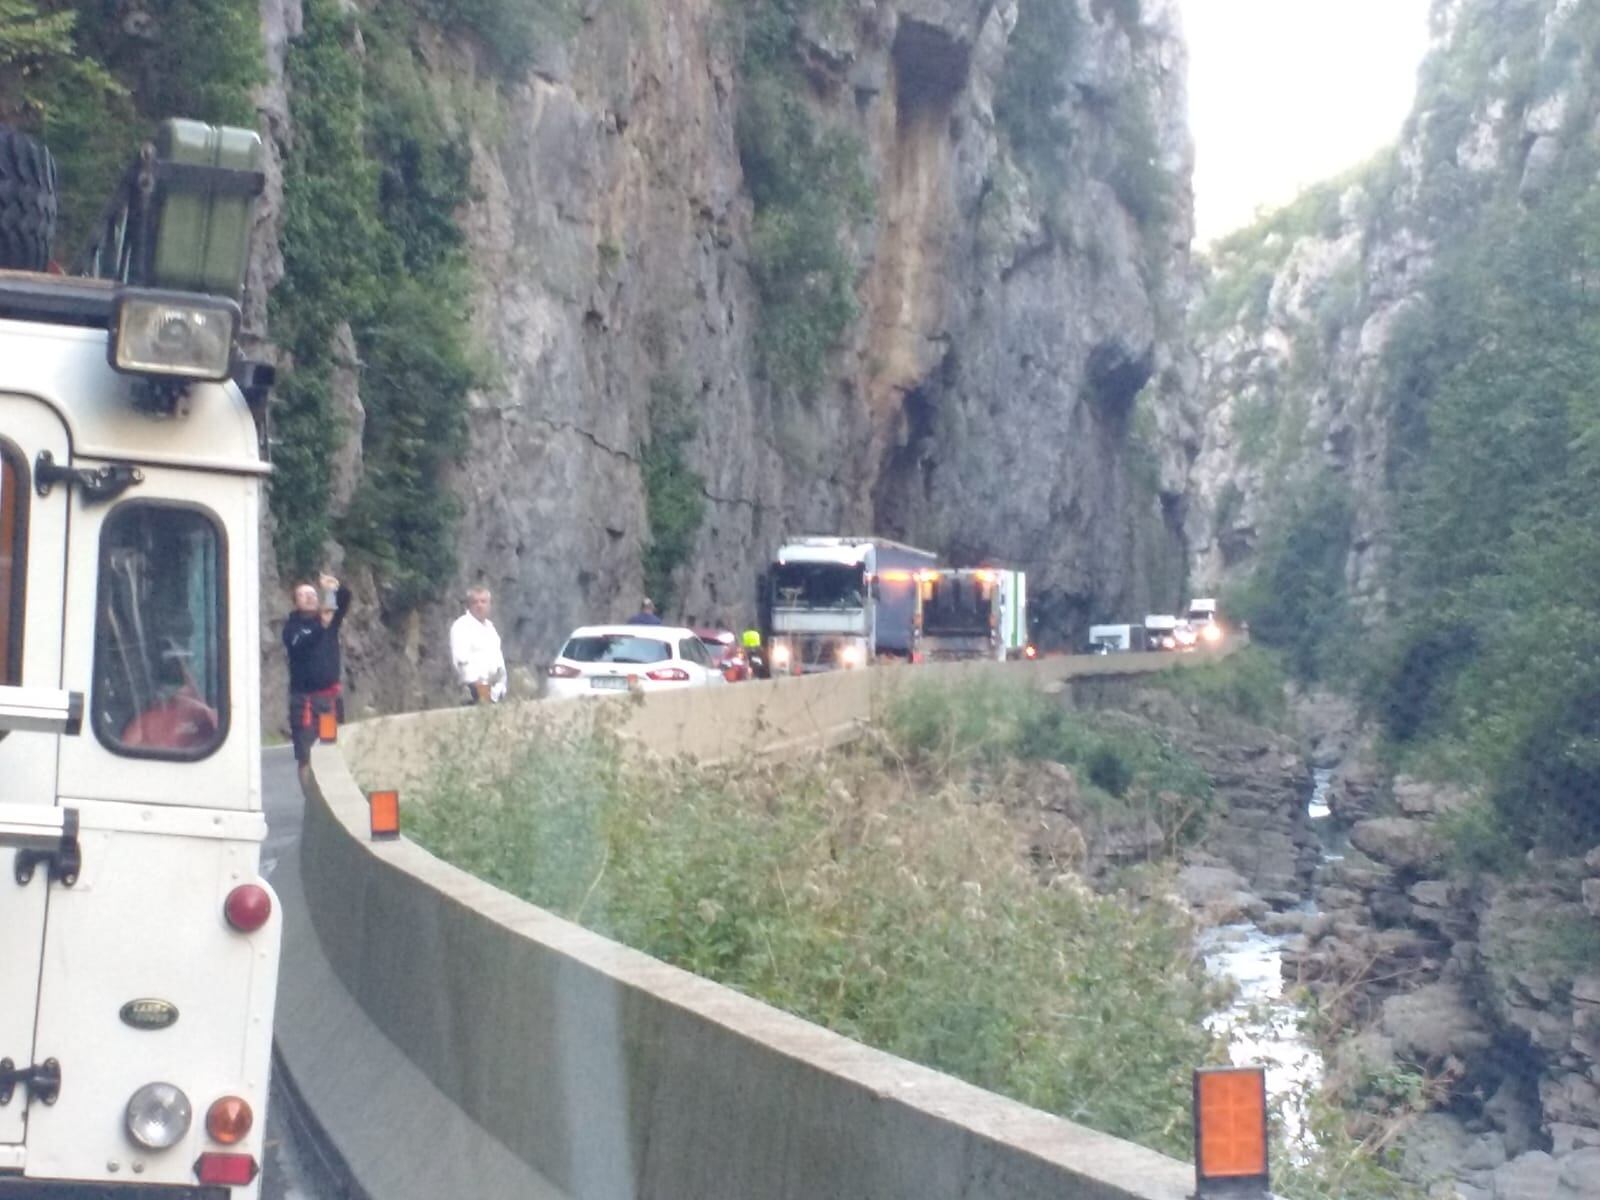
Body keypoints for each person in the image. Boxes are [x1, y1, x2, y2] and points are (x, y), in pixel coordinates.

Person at [283, 573, 351, 766]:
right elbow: (300, 643)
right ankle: (308, 785)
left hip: (328, 702)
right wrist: (321, 625)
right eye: (303, 595)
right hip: (305, 702)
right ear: (296, 602)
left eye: (313, 594)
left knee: (330, 750)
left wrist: (334, 588)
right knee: (306, 754)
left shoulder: (330, 622)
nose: (310, 597)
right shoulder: (292, 627)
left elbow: (344, 600)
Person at [450, 585, 506, 704]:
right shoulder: (461, 626)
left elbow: (499, 661)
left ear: (489, 605)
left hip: (495, 692)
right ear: (469, 605)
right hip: (473, 693)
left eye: (483, 601)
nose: (479, 605)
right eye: (475, 602)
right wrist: (481, 691)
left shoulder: (491, 628)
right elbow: (461, 663)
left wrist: (501, 687)